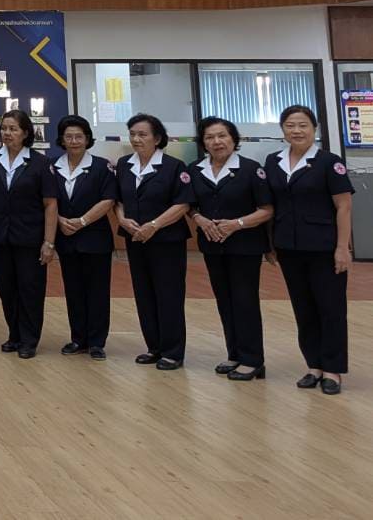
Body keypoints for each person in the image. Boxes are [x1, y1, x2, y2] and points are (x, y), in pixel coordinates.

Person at [264, 104, 354, 395]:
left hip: (324, 248)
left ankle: (332, 369)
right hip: (289, 247)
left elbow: (344, 206)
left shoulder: (329, 162)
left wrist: (342, 248)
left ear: (314, 129)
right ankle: (313, 365)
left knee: (331, 308)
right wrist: (270, 244)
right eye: (290, 125)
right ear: (283, 130)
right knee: (303, 308)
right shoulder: (273, 161)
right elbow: (270, 206)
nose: (297, 130)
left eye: (303, 125)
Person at [187, 116, 273, 381]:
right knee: (224, 300)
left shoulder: (251, 169)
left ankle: (253, 360)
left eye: (222, 135)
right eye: (210, 137)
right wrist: (199, 219)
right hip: (212, 246)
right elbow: (189, 205)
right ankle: (234, 354)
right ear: (203, 143)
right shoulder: (195, 170)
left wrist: (237, 224)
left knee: (245, 301)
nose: (217, 141)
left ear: (234, 139)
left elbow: (267, 209)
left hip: (245, 246)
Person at [0, 110, 58, 358]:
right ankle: (15, 335)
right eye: (4, 128)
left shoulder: (40, 163)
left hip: (30, 237)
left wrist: (49, 242)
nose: (7, 133)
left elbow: (50, 203)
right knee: (7, 288)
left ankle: (29, 340)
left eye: (13, 129)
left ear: (25, 132)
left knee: (30, 289)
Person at [114, 113, 192, 371]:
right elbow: (118, 200)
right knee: (144, 293)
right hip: (136, 239)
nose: (136, 139)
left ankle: (172, 351)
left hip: (167, 241)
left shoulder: (174, 166)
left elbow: (182, 204)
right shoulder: (124, 164)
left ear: (157, 138)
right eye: (133, 134)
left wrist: (154, 225)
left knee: (169, 294)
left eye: (142, 134)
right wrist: (122, 219)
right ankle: (154, 347)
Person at [52, 115, 117, 359]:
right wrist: (60, 220)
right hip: (65, 237)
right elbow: (46, 200)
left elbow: (108, 200)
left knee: (97, 291)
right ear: (62, 140)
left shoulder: (102, 167)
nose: (74, 141)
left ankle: (97, 342)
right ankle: (78, 339)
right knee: (73, 290)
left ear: (87, 138)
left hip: (95, 239)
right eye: (68, 136)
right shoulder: (52, 167)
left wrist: (81, 222)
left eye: (79, 136)